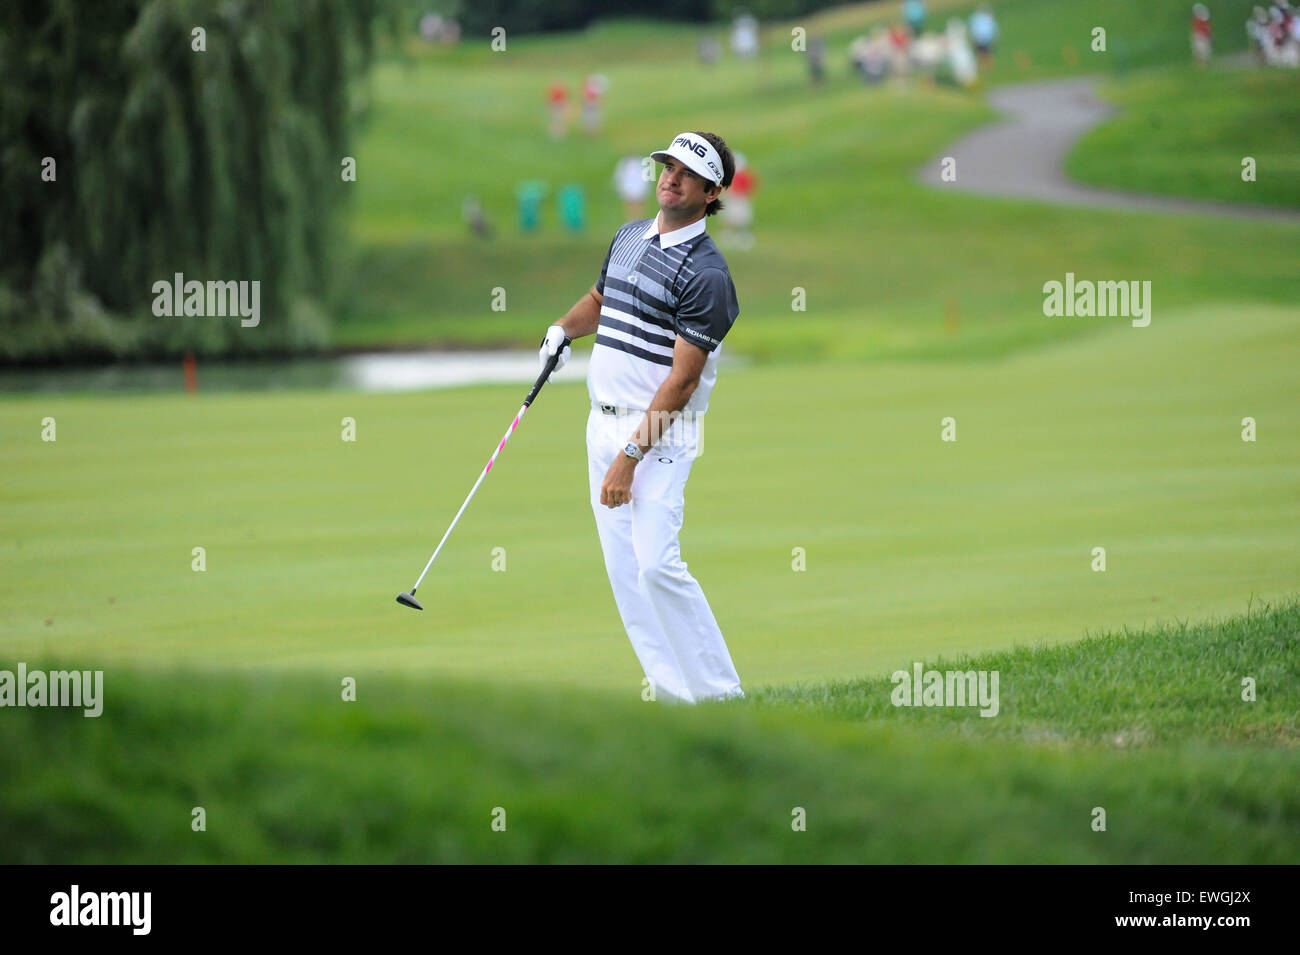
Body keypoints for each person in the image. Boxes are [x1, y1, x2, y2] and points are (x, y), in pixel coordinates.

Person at [538, 131, 745, 705]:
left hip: (659, 436)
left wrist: (631, 457)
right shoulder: (629, 236)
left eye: (686, 172)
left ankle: (723, 697)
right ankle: (675, 698)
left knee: (657, 566)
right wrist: (561, 330)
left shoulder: (708, 274)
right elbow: (601, 301)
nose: (670, 177)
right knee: (628, 579)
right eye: (666, 166)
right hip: (599, 425)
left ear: (711, 192)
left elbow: (681, 381)